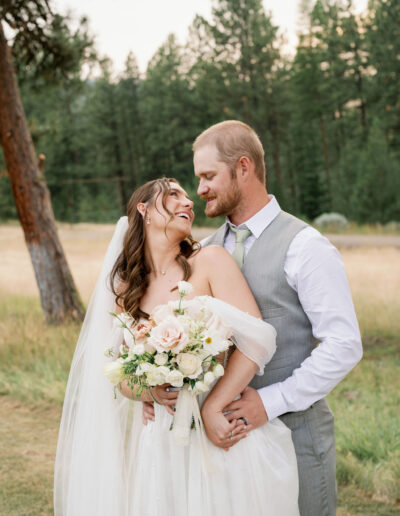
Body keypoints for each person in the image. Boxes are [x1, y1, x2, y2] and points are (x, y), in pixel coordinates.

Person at [54, 177, 300, 515]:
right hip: (162, 441)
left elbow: (259, 340)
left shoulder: (211, 260)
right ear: (144, 210)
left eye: (188, 197)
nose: (189, 202)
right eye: (173, 195)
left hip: (219, 429)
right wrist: (149, 394)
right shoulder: (127, 287)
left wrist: (213, 406)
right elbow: (118, 372)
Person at [192, 120, 363, 515]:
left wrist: (269, 402)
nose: (199, 189)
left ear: (244, 168)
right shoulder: (203, 251)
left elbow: (343, 345)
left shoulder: (305, 246)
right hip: (223, 448)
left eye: (208, 176)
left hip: (296, 436)